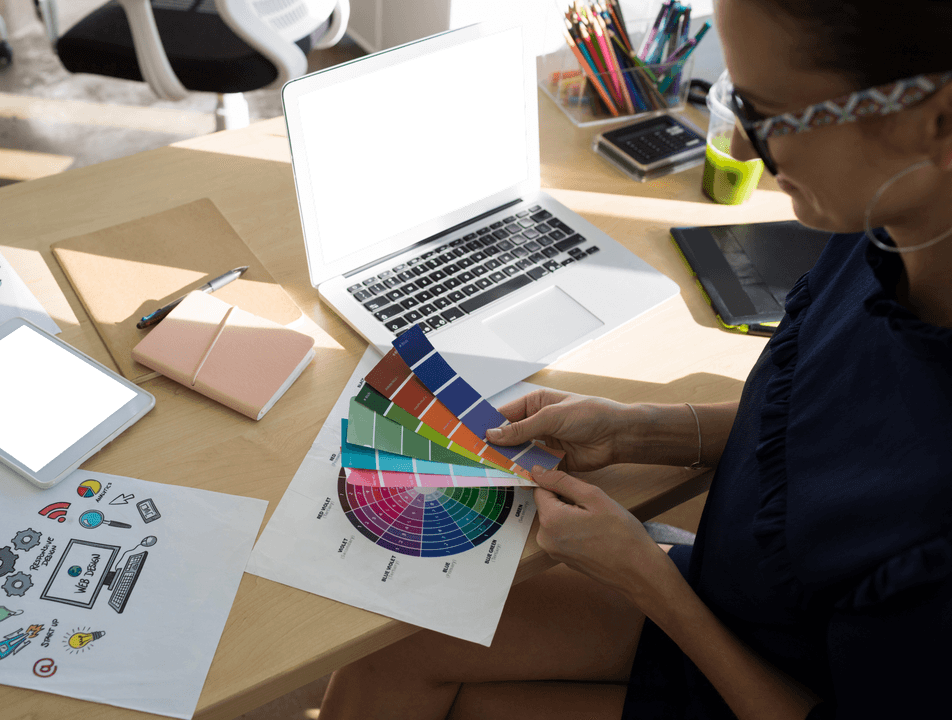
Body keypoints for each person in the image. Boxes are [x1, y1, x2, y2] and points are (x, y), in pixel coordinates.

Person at [317, 0, 952, 717]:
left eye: (772, 117)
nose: (739, 150)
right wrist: (636, 428)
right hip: (733, 599)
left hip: (761, 682)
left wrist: (646, 578)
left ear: (936, 121)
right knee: (386, 654)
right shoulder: (884, 227)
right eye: (734, 101)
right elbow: (821, 419)